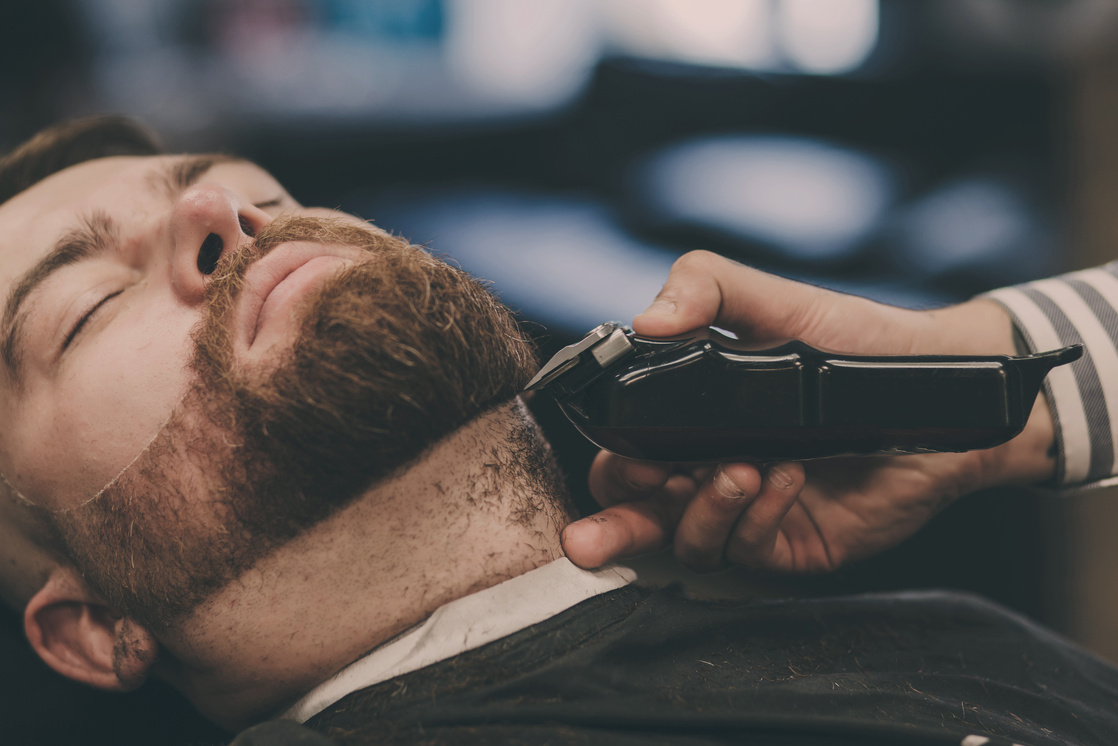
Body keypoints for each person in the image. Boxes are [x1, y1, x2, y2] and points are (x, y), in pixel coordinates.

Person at [0, 117, 1116, 746]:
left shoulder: (940, 634)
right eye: (85, 304)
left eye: (264, 191)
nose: (227, 216)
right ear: (96, 625)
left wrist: (989, 406)